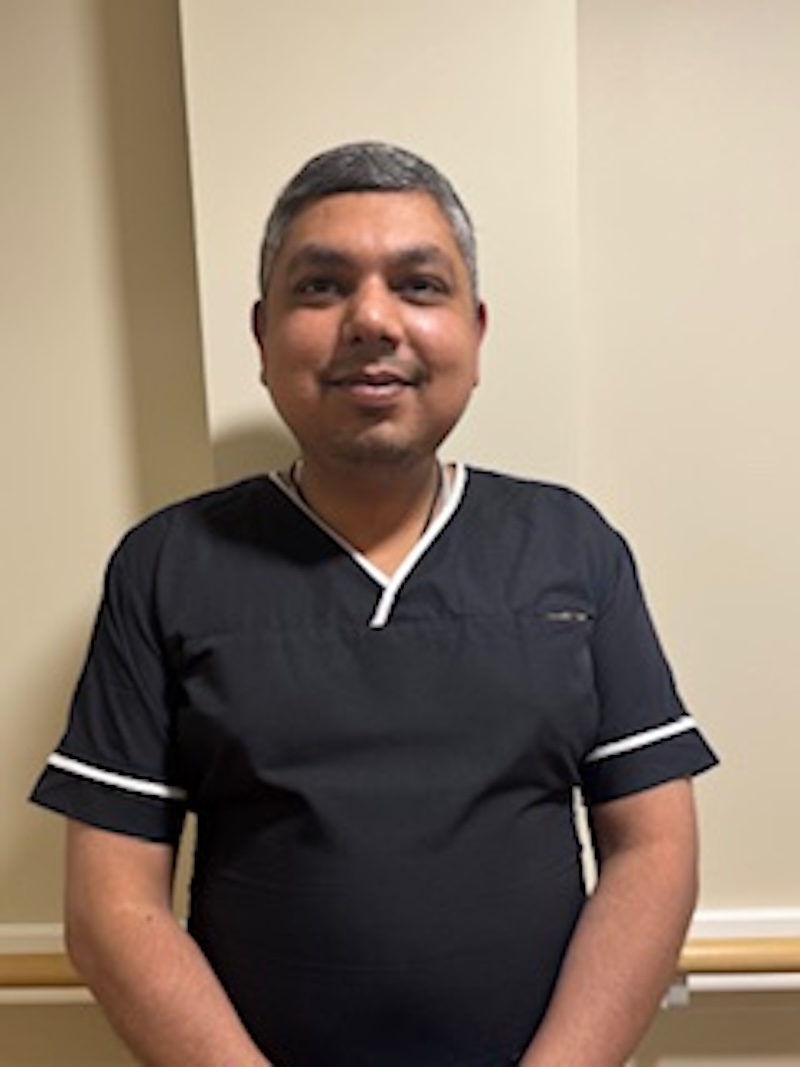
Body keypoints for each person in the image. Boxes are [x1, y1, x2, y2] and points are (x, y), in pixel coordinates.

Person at [31, 141, 717, 1067]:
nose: (372, 320)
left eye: (418, 286)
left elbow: (654, 849)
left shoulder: (573, 548)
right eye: (320, 287)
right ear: (262, 336)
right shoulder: (166, 566)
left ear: (474, 332)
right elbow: (112, 906)